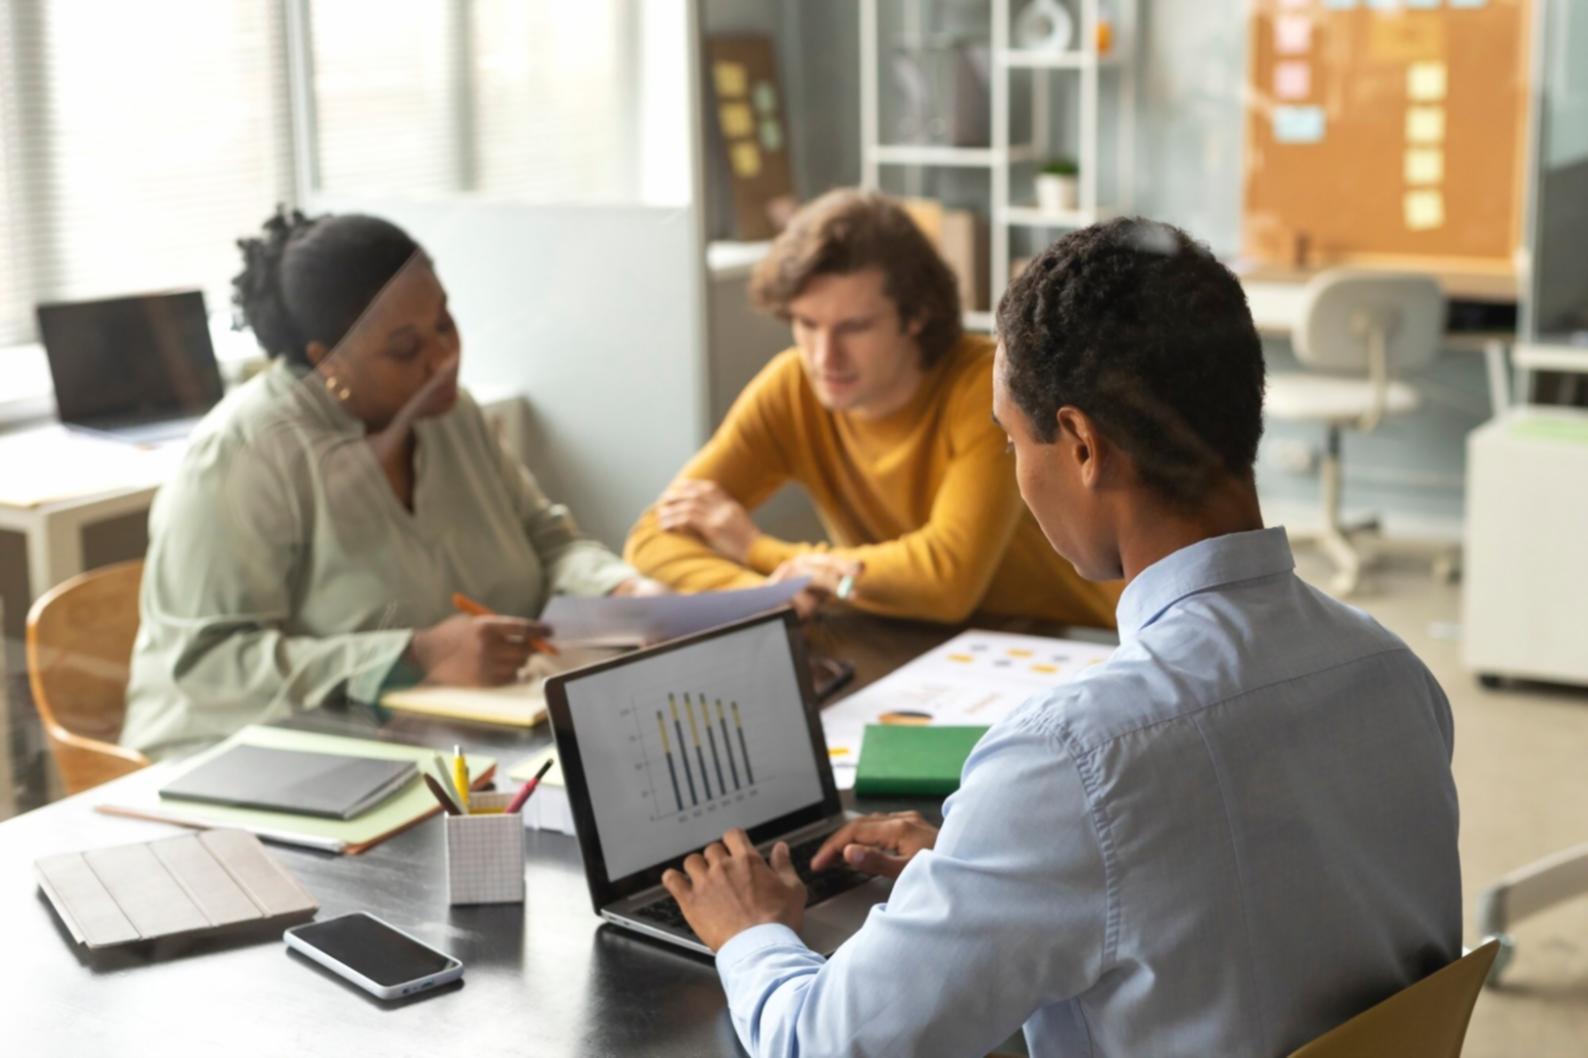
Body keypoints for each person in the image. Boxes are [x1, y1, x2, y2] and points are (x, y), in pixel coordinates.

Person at [658, 218, 1462, 1057]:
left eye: (1013, 440)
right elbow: (1272, 886)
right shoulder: (1394, 672)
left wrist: (750, 932)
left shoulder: (1073, 759)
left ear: (1081, 445)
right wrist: (995, 875)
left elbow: (822, 1046)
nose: (1016, 467)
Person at [122, 208, 660, 759]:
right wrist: (415, 654)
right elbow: (206, 666)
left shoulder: (453, 415)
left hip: (451, 745)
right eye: (405, 350)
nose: (444, 359)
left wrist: (623, 593)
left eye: (445, 324)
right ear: (326, 361)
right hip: (252, 758)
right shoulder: (243, 456)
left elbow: (547, 543)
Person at [623, 188, 1120, 626]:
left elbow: (947, 580)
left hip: (1069, 640)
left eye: (854, 327)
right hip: (915, 643)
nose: (824, 357)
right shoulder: (791, 387)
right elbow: (651, 538)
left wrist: (756, 549)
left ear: (918, 316)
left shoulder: (985, 387)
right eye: (807, 324)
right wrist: (761, 596)